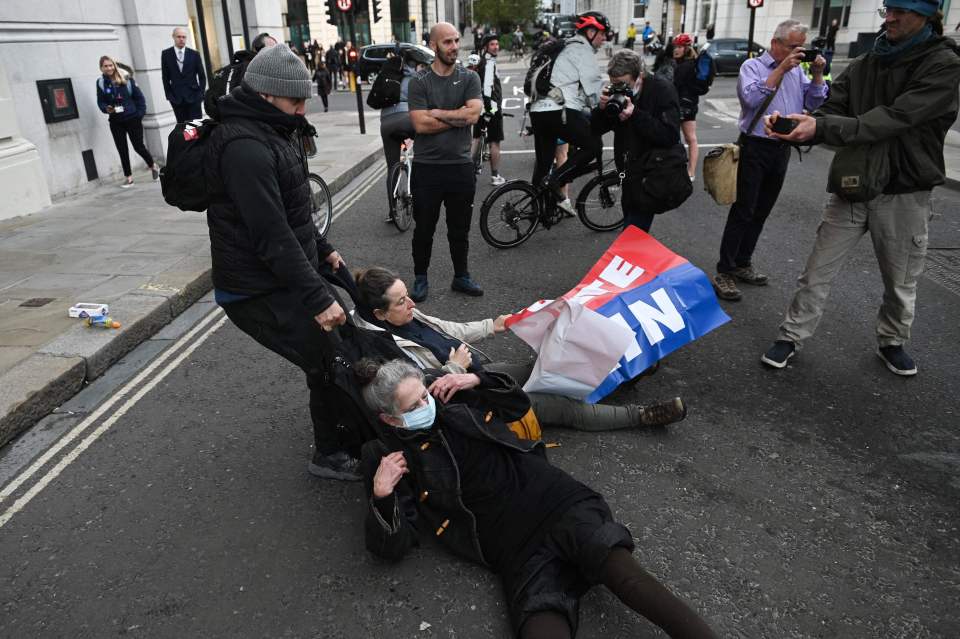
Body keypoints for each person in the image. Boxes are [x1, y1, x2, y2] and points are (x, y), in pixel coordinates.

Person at [358, 359, 718, 639]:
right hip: (511, 543)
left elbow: (517, 406)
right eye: (413, 406)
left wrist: (477, 379)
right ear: (390, 419)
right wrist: (381, 494)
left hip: (552, 498)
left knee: (625, 575)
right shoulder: (385, 456)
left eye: (423, 394)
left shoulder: (449, 394)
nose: (426, 403)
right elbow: (392, 547)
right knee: (539, 621)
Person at [759, 0, 960, 376]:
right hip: (853, 183)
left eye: (904, 11)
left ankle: (892, 341)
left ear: (928, 16)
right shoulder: (867, 61)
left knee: (900, 280)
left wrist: (821, 128)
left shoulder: (943, 64)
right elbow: (834, 106)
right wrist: (803, 123)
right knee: (816, 271)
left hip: (905, 189)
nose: (892, 17)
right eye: (889, 8)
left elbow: (896, 118)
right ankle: (791, 335)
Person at [202, 43, 360, 481]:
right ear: (267, 94)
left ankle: (346, 430)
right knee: (325, 356)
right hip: (253, 288)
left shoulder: (273, 129)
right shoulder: (244, 148)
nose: (302, 109)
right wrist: (316, 297)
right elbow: (271, 235)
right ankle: (329, 454)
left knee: (341, 343)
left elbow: (294, 214)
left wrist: (323, 248)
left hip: (281, 274)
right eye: (296, 101)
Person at [352, 267, 688, 430]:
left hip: (476, 372)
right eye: (401, 301)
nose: (411, 302)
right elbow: (417, 392)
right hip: (463, 399)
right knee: (559, 406)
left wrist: (493, 324)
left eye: (408, 294)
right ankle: (642, 416)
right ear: (380, 314)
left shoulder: (401, 316)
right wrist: (454, 368)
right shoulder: (382, 348)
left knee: (549, 365)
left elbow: (445, 329)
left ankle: (621, 377)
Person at [711, 20, 827, 302]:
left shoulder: (798, 69)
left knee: (762, 210)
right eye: (793, 47)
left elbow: (813, 104)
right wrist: (781, 69)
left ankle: (743, 262)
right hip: (755, 146)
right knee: (743, 210)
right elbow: (751, 99)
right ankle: (724, 270)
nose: (798, 52)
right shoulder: (752, 67)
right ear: (775, 43)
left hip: (782, 147)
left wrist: (817, 75)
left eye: (802, 47)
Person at [407, 22, 483, 303]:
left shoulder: (469, 78)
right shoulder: (419, 82)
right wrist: (456, 116)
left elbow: (473, 116)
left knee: (459, 229)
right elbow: (420, 125)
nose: (454, 47)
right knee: (424, 228)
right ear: (433, 46)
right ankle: (420, 278)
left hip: (460, 167)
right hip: (427, 168)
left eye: (456, 41)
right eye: (447, 42)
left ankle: (461, 276)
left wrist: (437, 112)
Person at [591, 50, 684, 232]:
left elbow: (669, 135)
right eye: (613, 83)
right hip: (628, 171)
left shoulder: (661, 90)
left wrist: (635, 114)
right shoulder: (616, 93)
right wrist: (601, 109)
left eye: (623, 84)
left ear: (639, 75)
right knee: (631, 226)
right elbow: (595, 129)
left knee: (633, 233)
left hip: (650, 172)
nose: (618, 89)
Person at [529, 12, 610, 215]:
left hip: (538, 112)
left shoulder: (563, 46)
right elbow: (594, 95)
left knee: (543, 165)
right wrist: (608, 108)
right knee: (593, 146)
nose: (605, 38)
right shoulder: (581, 50)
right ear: (590, 32)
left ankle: (537, 210)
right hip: (559, 112)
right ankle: (555, 180)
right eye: (602, 33)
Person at [380, 47, 432, 221]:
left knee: (391, 167)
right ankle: (420, 198)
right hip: (407, 120)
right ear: (416, 65)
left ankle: (392, 211)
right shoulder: (417, 79)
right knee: (423, 153)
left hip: (386, 123)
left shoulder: (388, 75)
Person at [96, 56, 159, 187]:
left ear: (114, 65)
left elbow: (139, 98)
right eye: (105, 66)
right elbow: (100, 101)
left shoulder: (126, 78)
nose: (109, 68)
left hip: (132, 118)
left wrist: (139, 115)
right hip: (115, 121)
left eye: (110, 65)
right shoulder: (101, 82)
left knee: (138, 146)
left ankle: (153, 166)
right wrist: (105, 108)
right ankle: (129, 178)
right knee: (122, 149)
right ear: (101, 68)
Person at [204, 32, 277, 121]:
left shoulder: (227, 70)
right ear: (258, 50)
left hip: (226, 126)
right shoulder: (260, 71)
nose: (277, 54)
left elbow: (209, 103)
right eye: (273, 50)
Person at [670, 34, 707, 180]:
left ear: (686, 49)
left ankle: (685, 171)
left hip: (681, 105)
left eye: (679, 47)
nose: (676, 50)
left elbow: (674, 87)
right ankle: (690, 172)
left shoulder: (684, 66)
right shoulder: (691, 64)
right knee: (691, 139)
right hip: (691, 105)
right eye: (675, 47)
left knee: (679, 139)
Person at [473, 33, 507, 185]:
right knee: (495, 142)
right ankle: (495, 176)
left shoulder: (483, 62)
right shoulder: (489, 64)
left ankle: (466, 170)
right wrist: (490, 109)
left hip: (481, 107)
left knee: (476, 138)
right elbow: (487, 88)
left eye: (497, 44)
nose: (496, 47)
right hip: (491, 108)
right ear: (486, 47)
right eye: (492, 44)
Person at [161, 27, 206, 122]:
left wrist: (200, 95)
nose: (181, 39)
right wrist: (169, 96)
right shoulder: (166, 54)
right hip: (177, 99)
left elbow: (202, 76)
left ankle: (194, 138)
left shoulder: (194, 54)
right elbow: (165, 78)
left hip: (194, 97)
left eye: (184, 37)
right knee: (182, 128)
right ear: (173, 37)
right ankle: (186, 137)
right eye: (179, 37)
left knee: (194, 128)